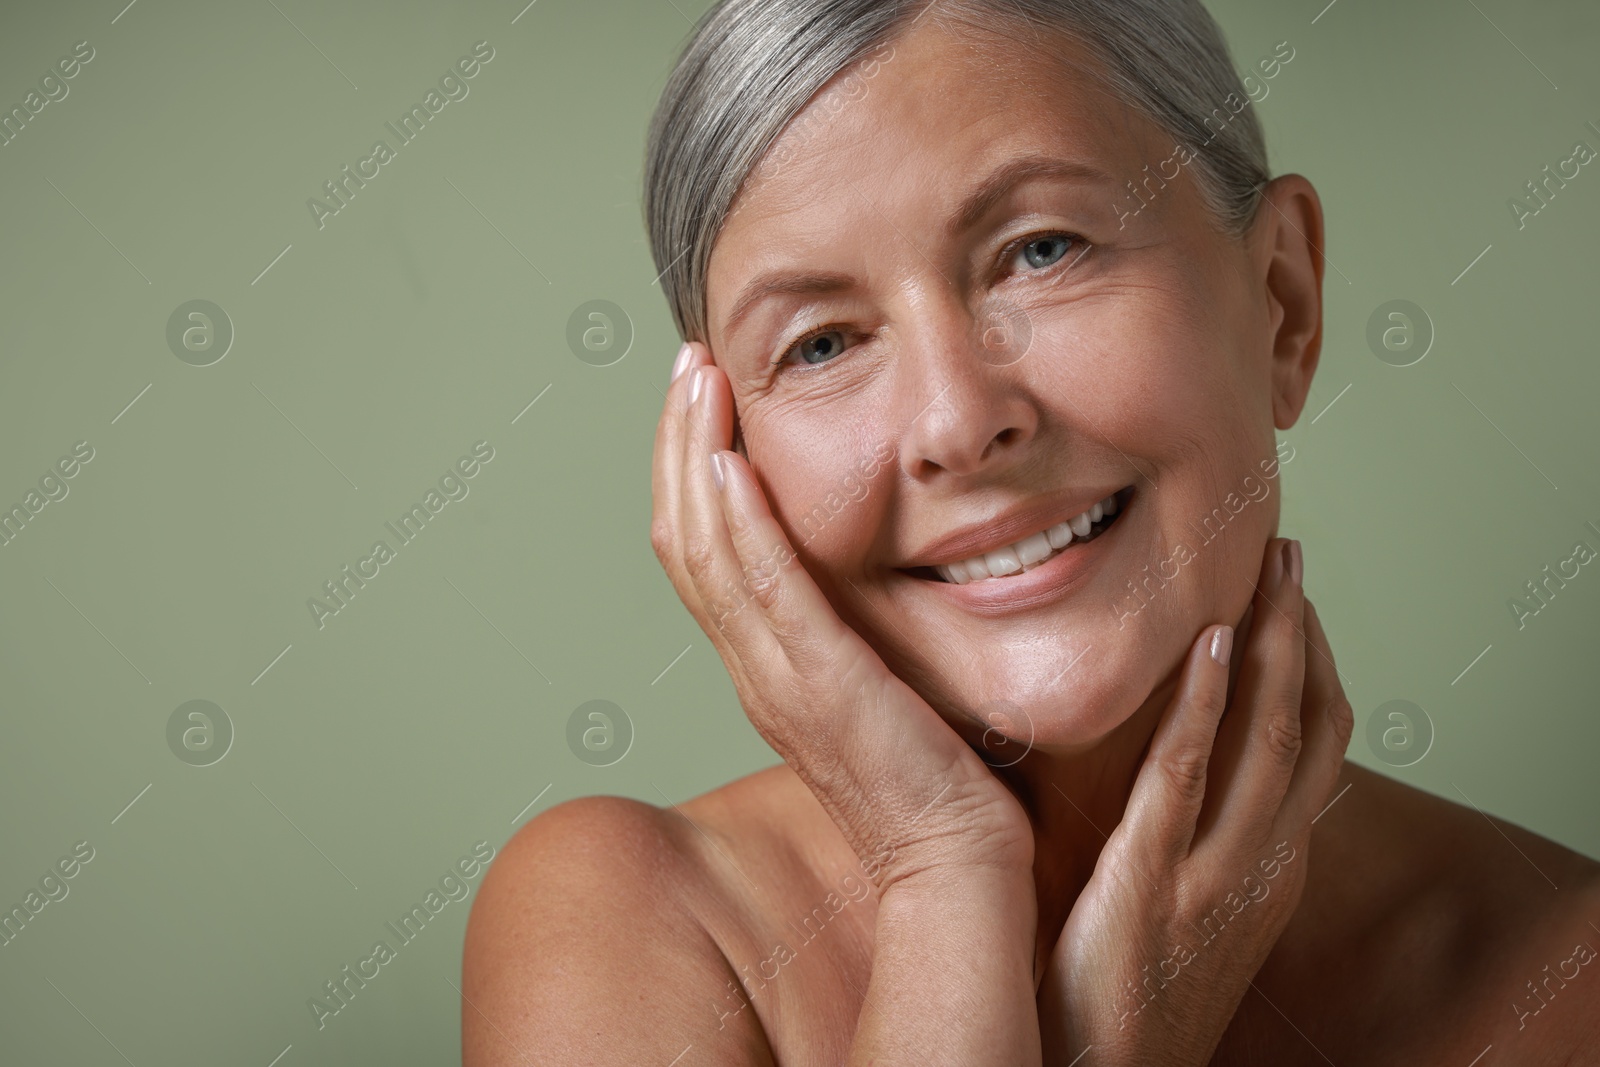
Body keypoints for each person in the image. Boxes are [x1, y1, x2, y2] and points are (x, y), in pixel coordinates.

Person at [462, 2, 1600, 1062]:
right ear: (723, 457)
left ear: (1282, 304)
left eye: (1042, 249)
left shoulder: (1566, 973)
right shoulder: (627, 922)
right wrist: (942, 868)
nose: (958, 422)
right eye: (820, 343)